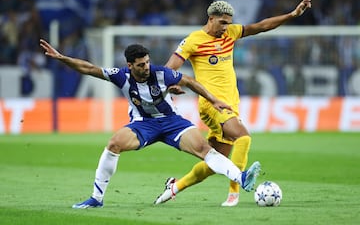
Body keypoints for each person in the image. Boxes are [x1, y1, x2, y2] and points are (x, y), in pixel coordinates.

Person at [39, 39, 261, 208]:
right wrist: (62, 58)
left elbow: (190, 81)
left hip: (172, 122)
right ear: (130, 65)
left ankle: (240, 177)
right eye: (141, 65)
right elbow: (88, 68)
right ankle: (96, 198)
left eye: (147, 63)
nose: (146, 67)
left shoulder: (162, 74)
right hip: (143, 124)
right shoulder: (121, 76)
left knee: (204, 149)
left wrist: (214, 100)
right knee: (114, 143)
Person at [154, 0, 312, 206]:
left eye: (229, 22)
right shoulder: (193, 40)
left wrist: (291, 15)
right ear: (211, 19)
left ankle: (174, 187)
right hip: (211, 105)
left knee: (214, 162)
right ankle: (234, 193)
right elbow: (169, 68)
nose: (226, 27)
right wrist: (172, 85)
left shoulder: (230, 33)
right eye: (222, 22)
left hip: (230, 105)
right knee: (243, 137)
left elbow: (262, 26)